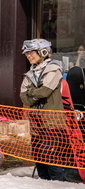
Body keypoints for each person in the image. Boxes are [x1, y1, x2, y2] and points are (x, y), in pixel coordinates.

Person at [20, 38, 71, 181]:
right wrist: (33, 94)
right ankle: (43, 185)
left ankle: (58, 187)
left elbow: (44, 92)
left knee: (49, 155)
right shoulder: (30, 73)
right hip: (36, 121)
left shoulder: (54, 69)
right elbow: (24, 98)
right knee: (38, 155)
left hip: (52, 121)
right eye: (27, 53)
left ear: (43, 52)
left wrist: (32, 92)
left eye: (31, 52)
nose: (28, 56)